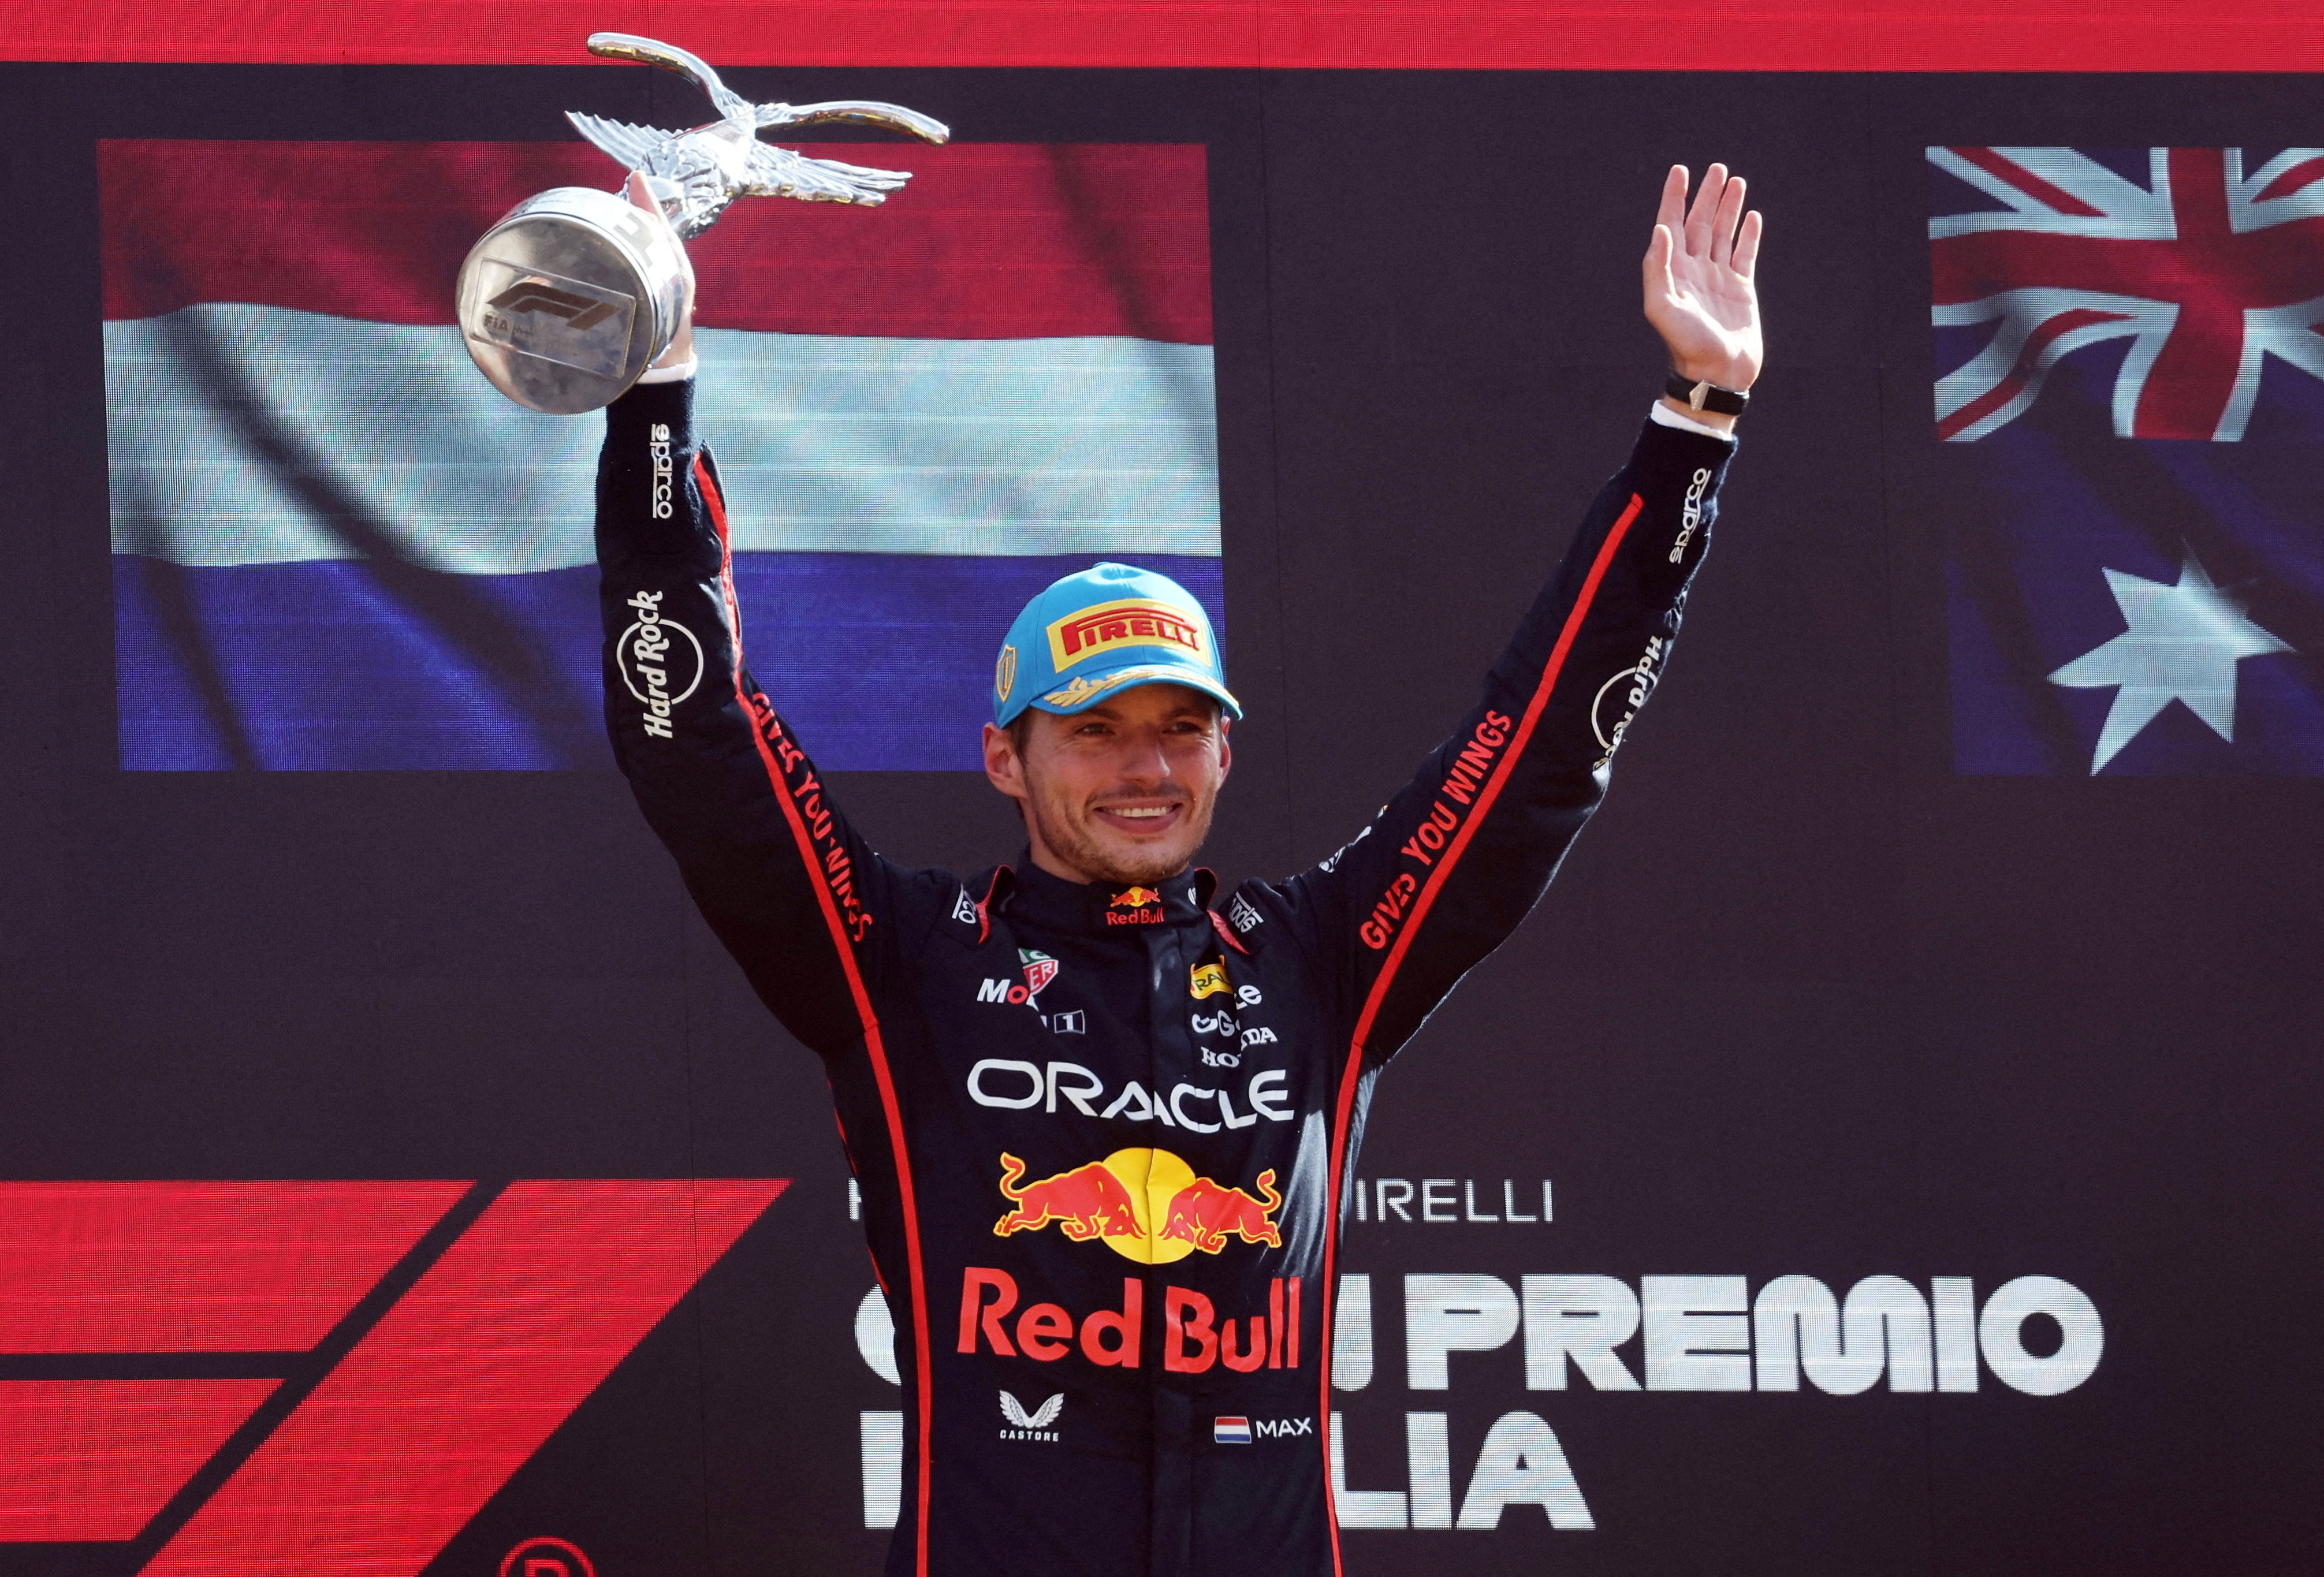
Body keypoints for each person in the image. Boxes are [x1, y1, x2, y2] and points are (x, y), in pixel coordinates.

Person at [594, 161, 1761, 1577]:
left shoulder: (1323, 954)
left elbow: (1537, 751)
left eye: (1180, 728)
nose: (1144, 766)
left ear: (1225, 755)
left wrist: (1692, 423)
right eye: (1094, 732)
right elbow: (693, 738)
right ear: (1001, 758)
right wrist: (655, 396)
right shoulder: (896, 959)